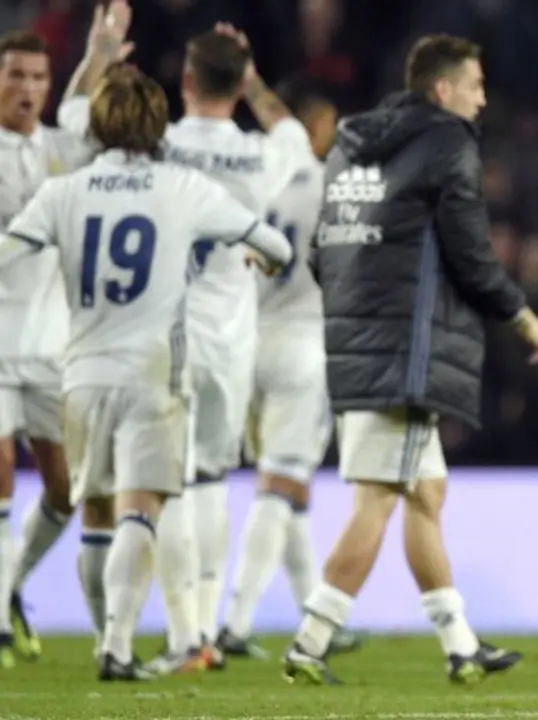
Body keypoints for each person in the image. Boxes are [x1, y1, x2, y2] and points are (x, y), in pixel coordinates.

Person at [0, 62, 291, 681]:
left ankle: (109, 642)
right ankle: (117, 645)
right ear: (157, 123)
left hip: (79, 374)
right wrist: (262, 262)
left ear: (100, 124)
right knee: (141, 511)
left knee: (97, 515)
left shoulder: (64, 191)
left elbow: (7, 251)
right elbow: (279, 246)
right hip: (153, 375)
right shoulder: (183, 187)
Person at [282, 33, 538, 686]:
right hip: (405, 354)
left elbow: (323, 252)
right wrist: (523, 315)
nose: (483, 98)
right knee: (377, 499)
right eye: (476, 85)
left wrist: (365, 309)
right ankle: (310, 643)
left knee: (425, 493)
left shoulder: (349, 145)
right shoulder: (447, 144)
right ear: (443, 91)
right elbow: (470, 252)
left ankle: (460, 646)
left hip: (357, 346)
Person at [58, 8, 315, 674]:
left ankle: (186, 634)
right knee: (207, 482)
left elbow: (73, 126)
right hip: (233, 339)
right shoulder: (262, 154)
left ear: (186, 79)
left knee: (159, 484)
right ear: (236, 84)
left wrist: (99, 57)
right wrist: (256, 82)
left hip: (161, 334)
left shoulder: (159, 145)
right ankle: (202, 628)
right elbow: (292, 130)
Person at [217, 80, 361, 659]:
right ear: (319, 128)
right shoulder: (334, 185)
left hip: (250, 337)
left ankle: (314, 610)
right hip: (306, 341)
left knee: (288, 485)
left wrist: (252, 83)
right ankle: (236, 621)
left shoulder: (265, 175)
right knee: (280, 482)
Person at [0, 28, 97, 667]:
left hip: (51, 346)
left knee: (64, 493)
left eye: (38, 77)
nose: (28, 89)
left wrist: (98, 51)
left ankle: (8, 588)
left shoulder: (63, 148)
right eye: (16, 76)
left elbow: (85, 109)